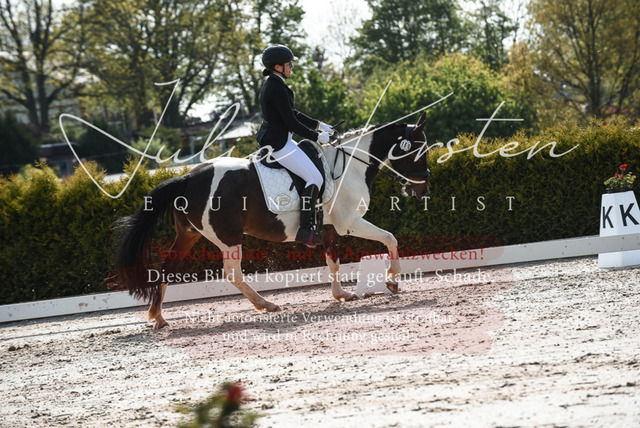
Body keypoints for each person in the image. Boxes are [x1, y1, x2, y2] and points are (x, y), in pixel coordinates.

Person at [256, 44, 333, 248]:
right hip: (279, 143)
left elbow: (293, 113)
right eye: (289, 64)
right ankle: (305, 229)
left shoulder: (275, 83)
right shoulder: (275, 87)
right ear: (278, 67)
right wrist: (317, 137)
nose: (292, 67)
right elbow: (291, 122)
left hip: (279, 139)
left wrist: (318, 124)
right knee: (315, 178)